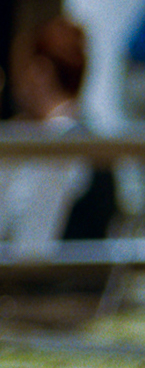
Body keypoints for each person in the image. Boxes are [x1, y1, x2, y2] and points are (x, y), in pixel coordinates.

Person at [0, 16, 113, 247]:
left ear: (41, 72)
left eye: (22, 67)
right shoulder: (84, 137)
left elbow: (28, 238)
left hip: (50, 279)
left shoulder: (61, 141)